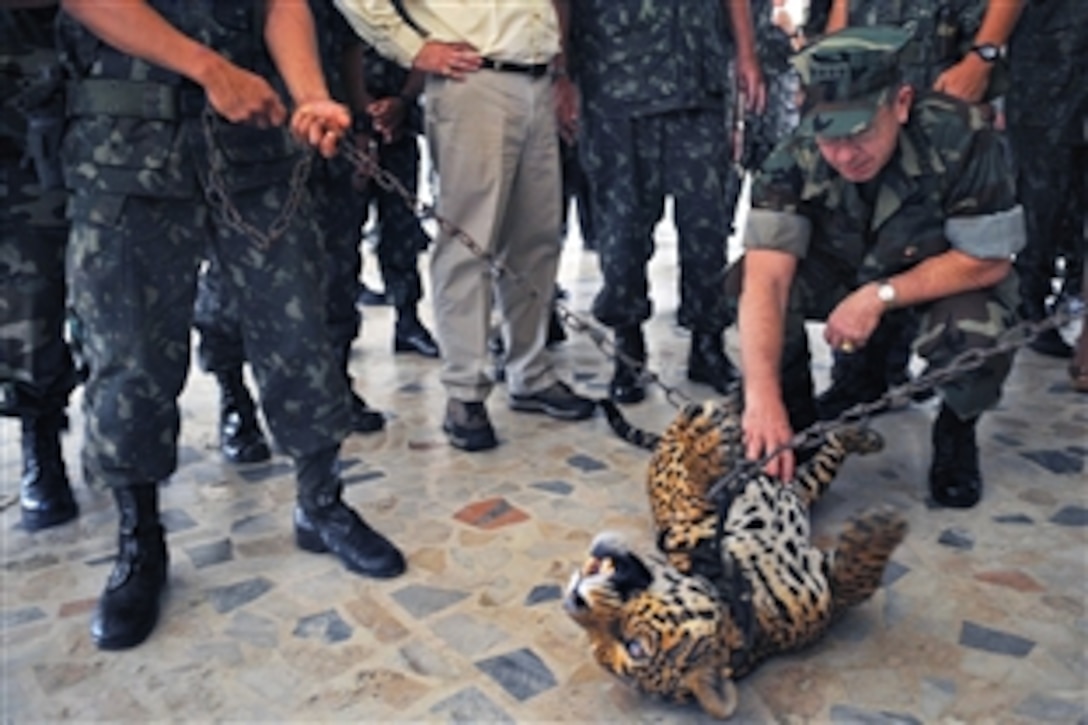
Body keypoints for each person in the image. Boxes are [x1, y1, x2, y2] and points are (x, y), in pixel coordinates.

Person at [57, 0, 406, 652]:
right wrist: (208, 68)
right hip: (126, 148)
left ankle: (321, 502)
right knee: (128, 353)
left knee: (301, 328)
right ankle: (140, 540)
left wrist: (309, 98)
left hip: (256, 145)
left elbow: (282, 4)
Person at [736, 26, 1024, 509]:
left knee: (979, 332)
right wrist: (760, 396)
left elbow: (988, 261)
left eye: (861, 131)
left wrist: (879, 296)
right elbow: (766, 278)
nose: (845, 155)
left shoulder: (962, 137)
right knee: (747, 290)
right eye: (829, 136)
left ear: (902, 103)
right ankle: (796, 425)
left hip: (940, 276)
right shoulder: (791, 159)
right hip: (845, 270)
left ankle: (956, 429)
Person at [335, 0, 596, 453]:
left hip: (535, 79)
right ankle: (465, 392)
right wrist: (411, 47)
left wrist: (559, 71)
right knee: (469, 243)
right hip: (473, 81)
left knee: (536, 239)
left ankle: (530, 372)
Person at [814, 0, 1024, 419]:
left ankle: (957, 423)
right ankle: (860, 378)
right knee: (863, 227)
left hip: (942, 79)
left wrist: (982, 57)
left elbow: (987, 259)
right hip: (862, 92)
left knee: (956, 269)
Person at [559, 0, 766, 404]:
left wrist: (746, 53)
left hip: (698, 86)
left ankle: (707, 344)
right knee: (621, 231)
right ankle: (628, 346)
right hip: (614, 86)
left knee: (706, 227)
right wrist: (562, 74)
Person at [1, 0, 79, 531]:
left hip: (67, 110)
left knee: (40, 295)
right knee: (27, 298)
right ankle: (40, 439)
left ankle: (46, 431)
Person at [1005, 0, 1086, 360]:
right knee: (1041, 189)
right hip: (1046, 64)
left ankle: (1073, 287)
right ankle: (1028, 301)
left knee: (1073, 188)